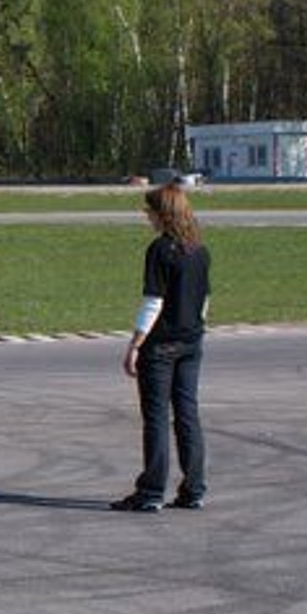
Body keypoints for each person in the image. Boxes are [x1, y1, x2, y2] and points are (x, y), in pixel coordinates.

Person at [111, 183, 210, 513]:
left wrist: (135, 344)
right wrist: (195, 328)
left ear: (163, 214)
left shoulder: (160, 250)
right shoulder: (199, 250)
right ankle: (194, 487)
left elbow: (154, 302)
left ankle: (152, 490)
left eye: (149, 210)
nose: (147, 216)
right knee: (187, 414)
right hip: (192, 340)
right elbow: (205, 300)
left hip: (162, 345)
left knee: (155, 418)